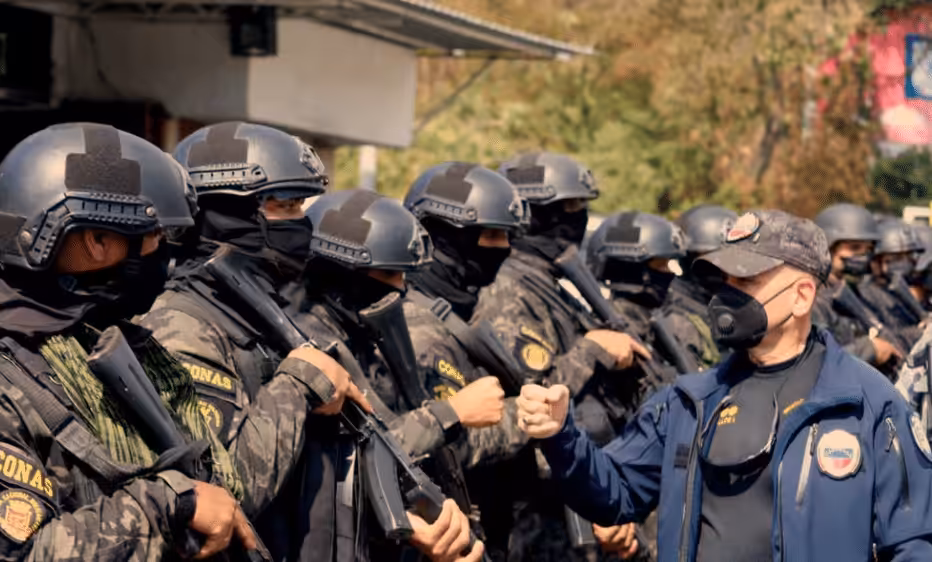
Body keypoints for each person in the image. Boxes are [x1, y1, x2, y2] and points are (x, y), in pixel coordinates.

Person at [517, 210, 932, 561]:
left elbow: (914, 541)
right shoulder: (689, 402)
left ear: (802, 296)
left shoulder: (867, 403)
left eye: (746, 281)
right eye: (723, 281)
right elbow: (615, 494)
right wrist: (561, 436)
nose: (727, 296)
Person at [141, 122, 469, 562]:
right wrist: (299, 384)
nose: (302, 223)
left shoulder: (259, 316)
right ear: (228, 214)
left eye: (302, 205)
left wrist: (413, 525)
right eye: (287, 205)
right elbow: (224, 493)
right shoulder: (181, 326)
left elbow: (313, 475)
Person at [0, 122, 259, 559]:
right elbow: (24, 552)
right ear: (96, 241)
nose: (163, 255)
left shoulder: (101, 342)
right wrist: (171, 505)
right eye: (154, 236)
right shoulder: (11, 373)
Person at [293, 188, 496, 562]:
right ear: (342, 270)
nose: (399, 287)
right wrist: (450, 413)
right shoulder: (308, 349)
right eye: (388, 273)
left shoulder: (365, 339)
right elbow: (354, 459)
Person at [472, 152, 652, 561]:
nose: (577, 219)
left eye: (580, 208)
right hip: (534, 505)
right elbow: (531, 393)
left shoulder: (550, 283)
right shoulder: (508, 287)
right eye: (564, 209)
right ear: (528, 214)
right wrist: (593, 350)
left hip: (572, 489)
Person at [402, 162, 535, 560]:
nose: (504, 248)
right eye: (491, 235)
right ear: (443, 236)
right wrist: (525, 416)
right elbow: (445, 446)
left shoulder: (458, 314)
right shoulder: (417, 328)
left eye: (507, 236)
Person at [585, 210, 687, 372]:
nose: (669, 272)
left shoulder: (654, 322)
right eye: (660, 264)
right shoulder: (607, 334)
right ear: (631, 268)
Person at [812, 203, 903, 370]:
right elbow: (813, 362)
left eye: (867, 249)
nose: (862, 256)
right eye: (854, 247)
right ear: (827, 247)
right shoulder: (812, 298)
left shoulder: (855, 291)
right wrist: (869, 349)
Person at [660, 204, 737, 370]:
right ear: (688, 258)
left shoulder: (732, 303)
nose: (724, 267)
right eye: (713, 258)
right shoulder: (676, 317)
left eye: (731, 258)